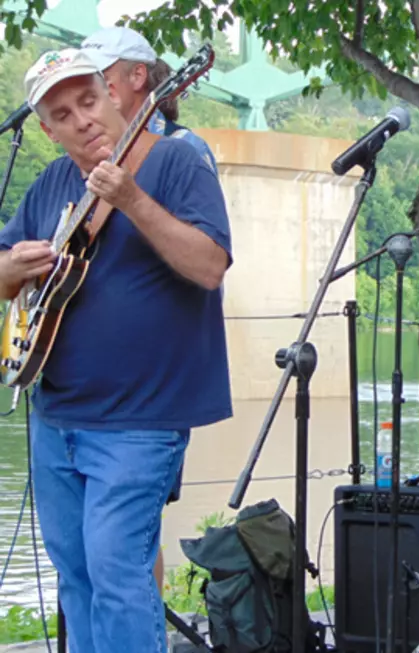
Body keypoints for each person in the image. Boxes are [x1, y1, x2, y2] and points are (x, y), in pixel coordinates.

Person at [0, 48, 232, 652]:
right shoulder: (50, 184)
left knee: (117, 572)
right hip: (55, 415)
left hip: (139, 420)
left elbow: (209, 267)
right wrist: (14, 267)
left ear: (110, 95)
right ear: (48, 130)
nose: (82, 119)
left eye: (89, 101)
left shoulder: (177, 163)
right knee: (74, 576)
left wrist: (131, 200)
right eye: (63, 113)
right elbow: (2, 276)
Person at [82, 25, 221, 590]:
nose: (92, 96)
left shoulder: (181, 152)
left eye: (100, 82)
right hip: (88, 389)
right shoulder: (89, 157)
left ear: (138, 78)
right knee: (95, 555)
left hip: (148, 390)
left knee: (132, 544)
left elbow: (206, 257)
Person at [81, 26, 219, 173]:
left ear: (137, 76)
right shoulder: (86, 150)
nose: (87, 89)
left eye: (99, 77)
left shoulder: (186, 147)